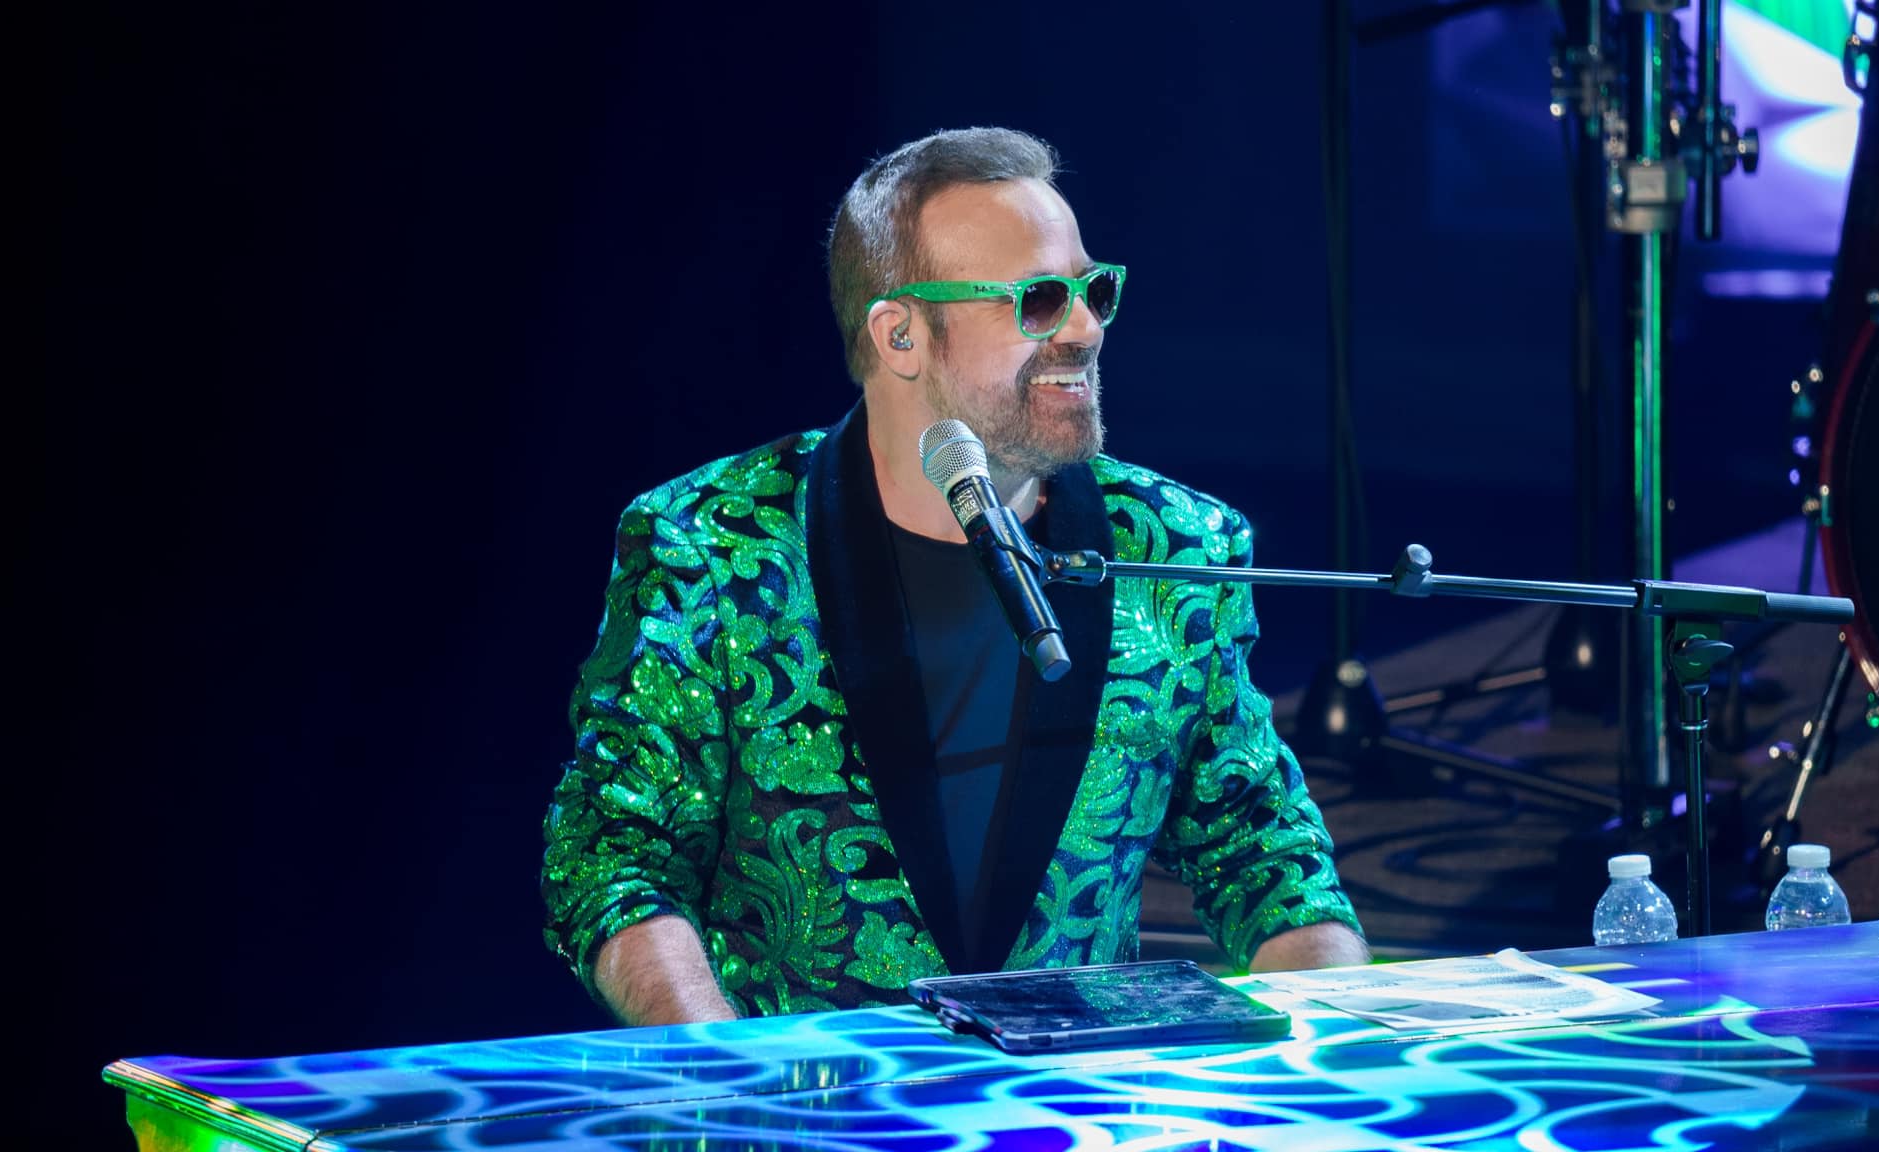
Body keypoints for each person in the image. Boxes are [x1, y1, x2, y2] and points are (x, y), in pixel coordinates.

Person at [542, 127, 1366, 1026]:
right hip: (809, 1097)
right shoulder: (709, 545)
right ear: (900, 334)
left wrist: (1339, 1049)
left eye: (1093, 290)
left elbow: (1263, 853)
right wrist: (733, 1070)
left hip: (1071, 1097)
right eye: (1038, 300)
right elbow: (615, 857)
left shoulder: (1175, 546)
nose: (1086, 328)